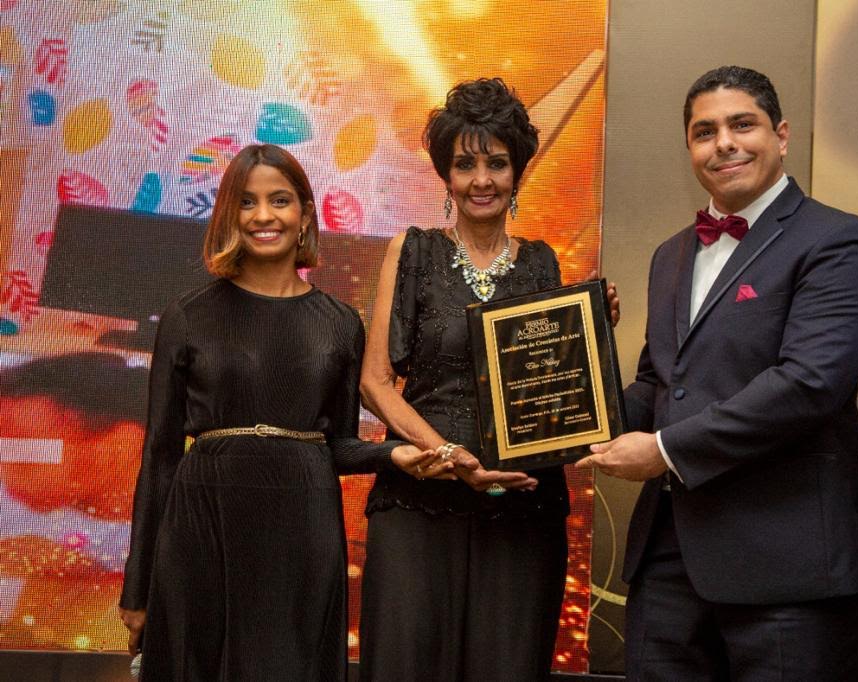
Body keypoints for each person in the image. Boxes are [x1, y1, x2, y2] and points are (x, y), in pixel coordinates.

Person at [577, 66, 858, 681]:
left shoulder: (836, 240)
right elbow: (658, 385)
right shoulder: (670, 255)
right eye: (704, 132)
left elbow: (808, 385)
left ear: (781, 135)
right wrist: (562, 417)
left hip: (789, 571)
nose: (723, 143)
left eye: (742, 124)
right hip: (667, 564)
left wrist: (663, 451)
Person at [118, 143, 434, 681]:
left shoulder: (340, 323)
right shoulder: (187, 316)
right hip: (203, 529)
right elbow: (160, 456)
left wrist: (392, 454)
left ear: (305, 212)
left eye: (279, 200)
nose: (263, 215)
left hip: (303, 532)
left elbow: (337, 447)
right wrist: (138, 584)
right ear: (229, 214)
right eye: (247, 202)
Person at [358, 77, 617, 681]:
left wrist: (591, 331)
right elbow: (374, 383)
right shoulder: (413, 251)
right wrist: (449, 456)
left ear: (517, 171)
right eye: (465, 164)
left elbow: (551, 387)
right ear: (445, 175)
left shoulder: (543, 263)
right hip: (421, 501)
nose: (482, 180)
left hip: (521, 506)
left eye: (496, 163)